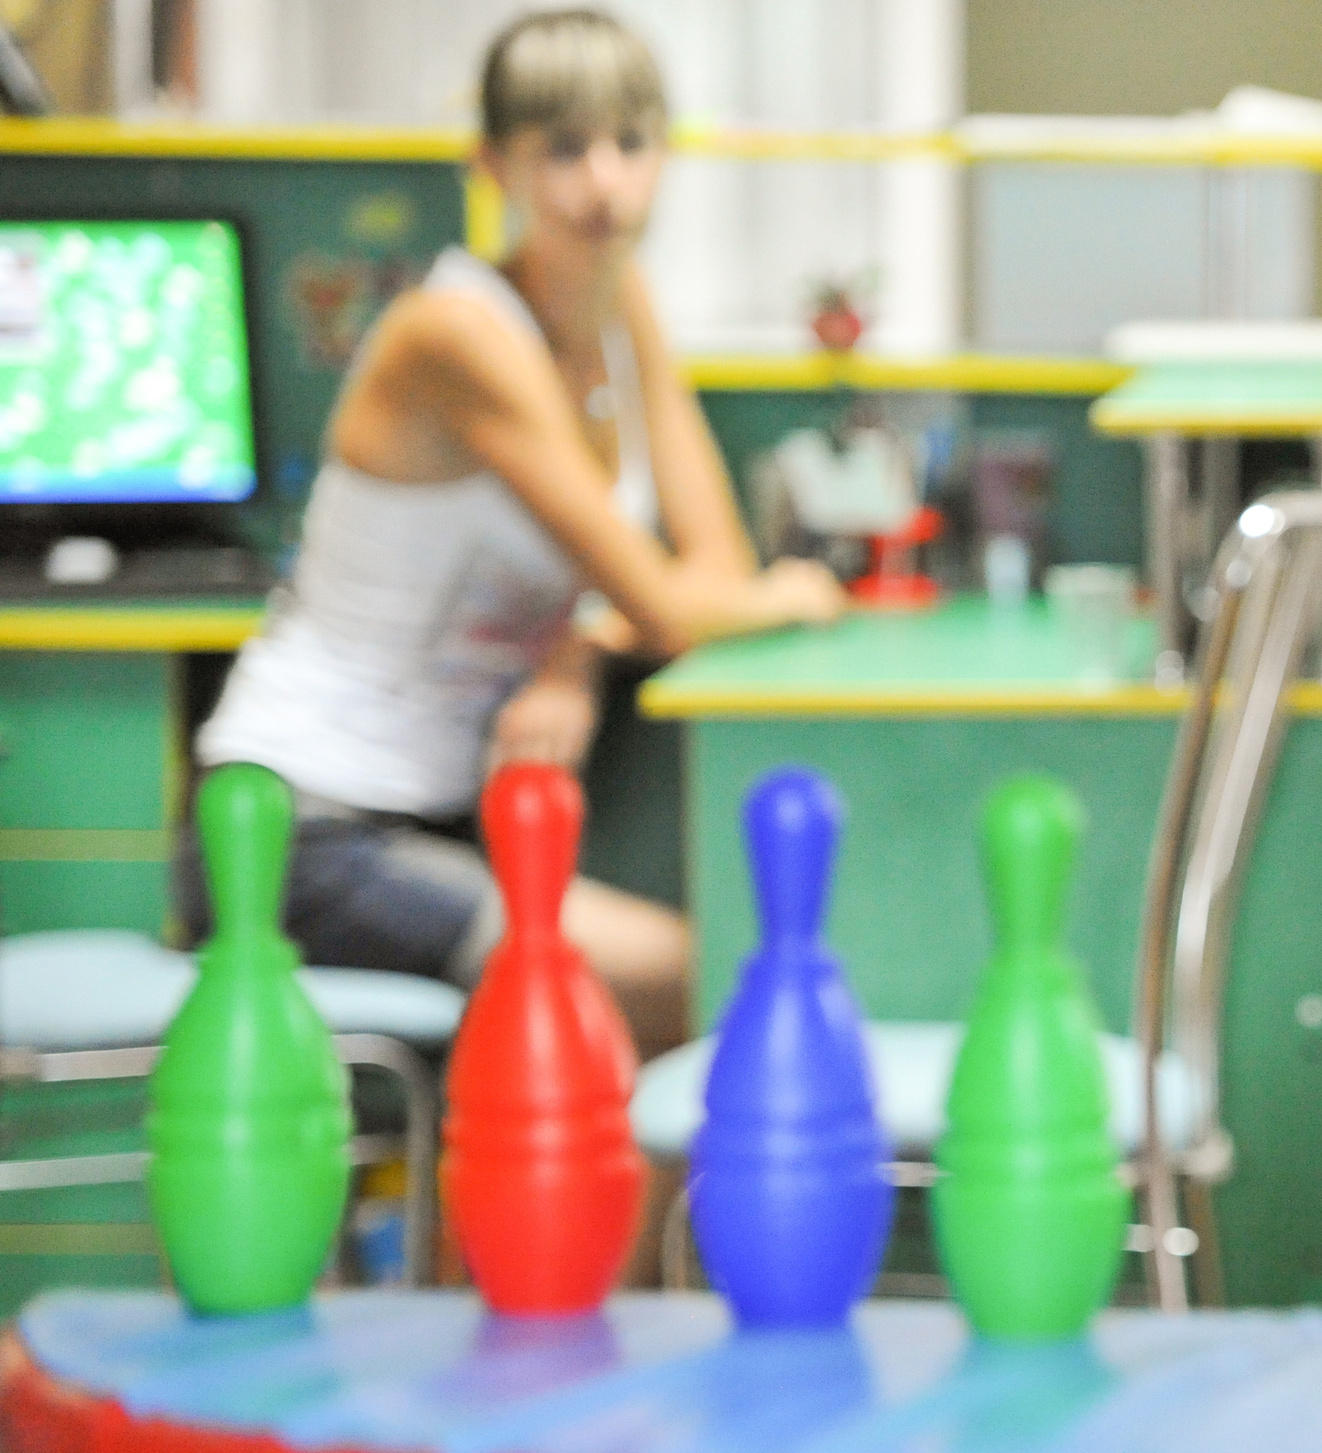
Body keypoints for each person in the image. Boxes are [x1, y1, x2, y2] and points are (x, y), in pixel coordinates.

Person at [185, 9, 842, 1057]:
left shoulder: (621, 305)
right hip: (298, 833)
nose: (604, 184)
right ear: (491, 164)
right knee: (683, 979)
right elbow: (681, 604)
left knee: (635, 1008)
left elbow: (714, 569)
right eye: (563, 149)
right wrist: (792, 596)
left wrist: (582, 652)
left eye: (632, 143)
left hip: (441, 819)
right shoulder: (456, 334)